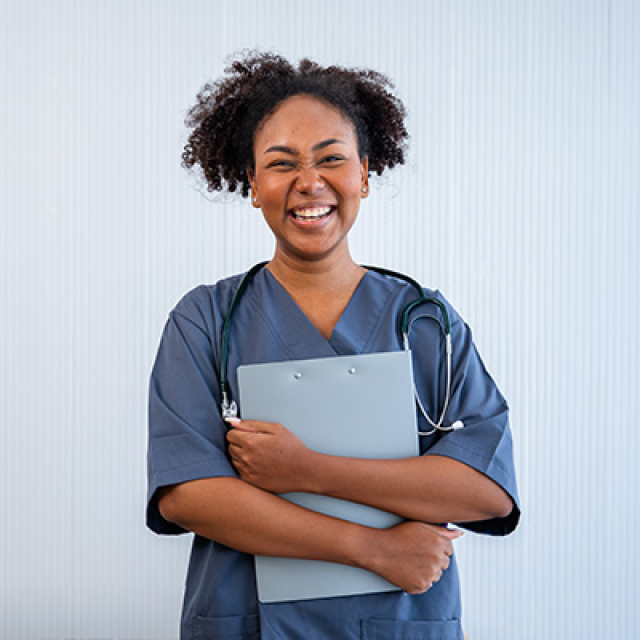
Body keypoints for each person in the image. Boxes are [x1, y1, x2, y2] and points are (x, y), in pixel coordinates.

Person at [147, 51, 520, 640]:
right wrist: (373, 548)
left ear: (365, 174)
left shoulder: (424, 322)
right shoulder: (205, 320)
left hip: (398, 621)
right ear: (252, 184)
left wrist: (306, 469)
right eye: (280, 163)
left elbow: (488, 490)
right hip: (247, 621)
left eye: (331, 159)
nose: (309, 182)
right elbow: (188, 495)